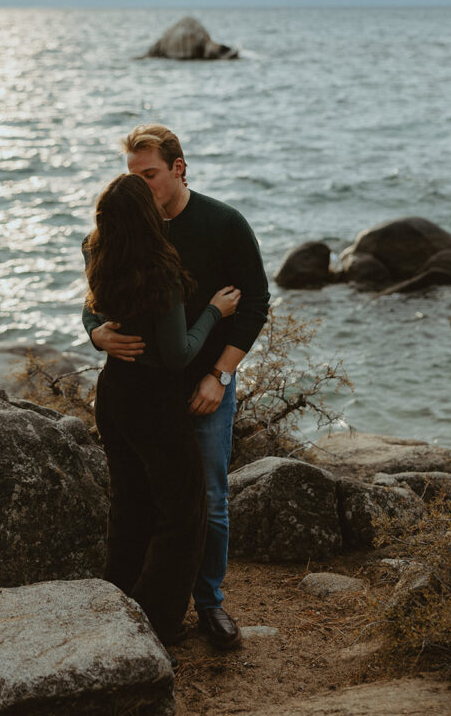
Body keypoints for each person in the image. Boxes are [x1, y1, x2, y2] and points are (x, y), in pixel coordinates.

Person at [83, 125, 270, 650]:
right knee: (144, 502)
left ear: (179, 168)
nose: (143, 187)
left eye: (151, 175)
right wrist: (94, 332)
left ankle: (209, 604)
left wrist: (220, 376)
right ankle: (143, 612)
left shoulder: (223, 224)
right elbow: (93, 293)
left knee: (207, 500)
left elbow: (254, 303)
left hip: (204, 384)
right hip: (147, 393)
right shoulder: (126, 226)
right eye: (134, 178)